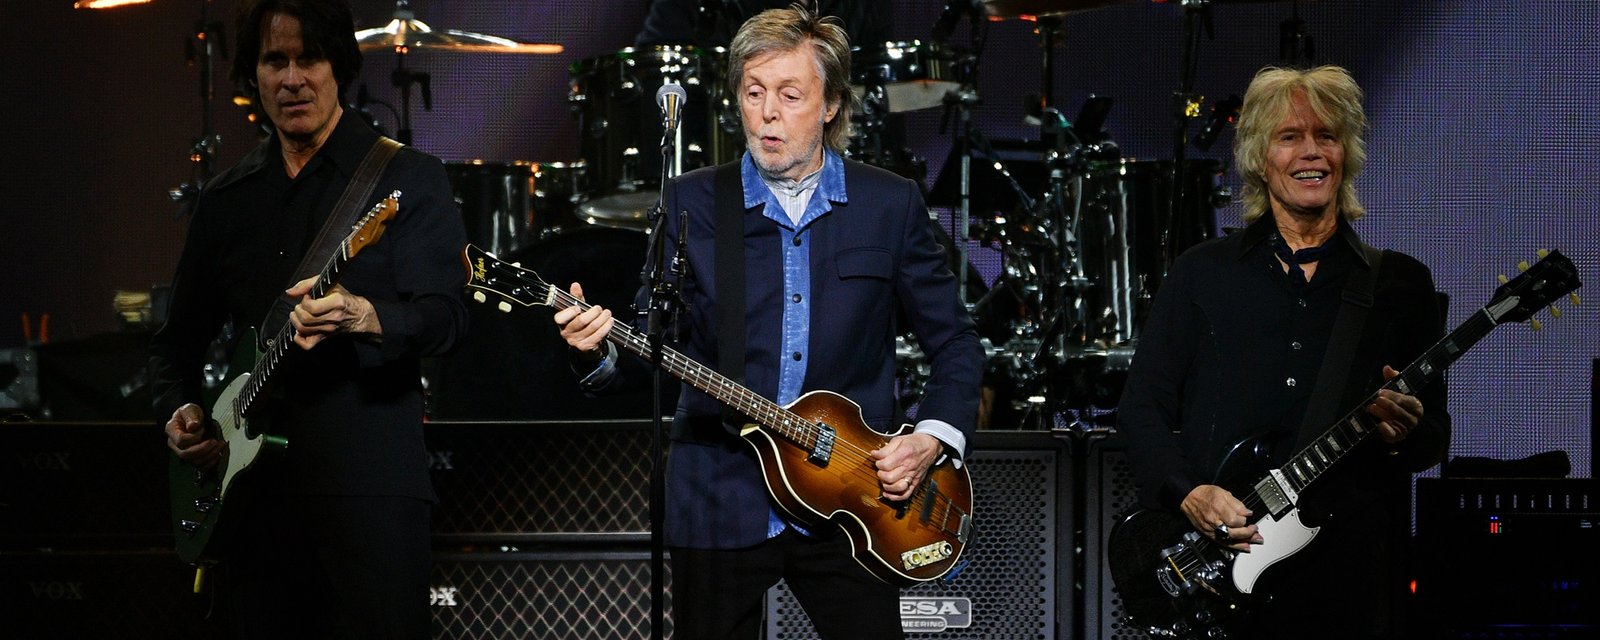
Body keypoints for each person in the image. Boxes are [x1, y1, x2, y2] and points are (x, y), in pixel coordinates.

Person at [556, 6, 984, 639]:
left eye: (789, 94)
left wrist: (931, 438)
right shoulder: (693, 202)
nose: (767, 114)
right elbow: (653, 348)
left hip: (855, 496)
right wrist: (595, 349)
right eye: (753, 93)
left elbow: (956, 342)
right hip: (720, 492)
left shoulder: (888, 203)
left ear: (831, 104)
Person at [149, 0, 467, 638]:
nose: (292, 79)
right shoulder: (227, 200)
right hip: (253, 505)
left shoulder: (408, 178)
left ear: (338, 66)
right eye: (275, 61)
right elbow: (174, 345)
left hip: (371, 494)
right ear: (254, 76)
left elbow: (448, 321)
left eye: (309, 59)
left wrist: (365, 316)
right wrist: (180, 410)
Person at [1115, 65, 1449, 639]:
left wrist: (1408, 431)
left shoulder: (1401, 283)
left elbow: (1434, 438)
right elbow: (1141, 409)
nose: (1311, 152)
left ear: (1346, 153)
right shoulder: (1201, 274)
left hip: (1349, 582)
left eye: (1327, 136)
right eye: (1289, 136)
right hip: (1221, 576)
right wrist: (1190, 493)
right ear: (1259, 156)